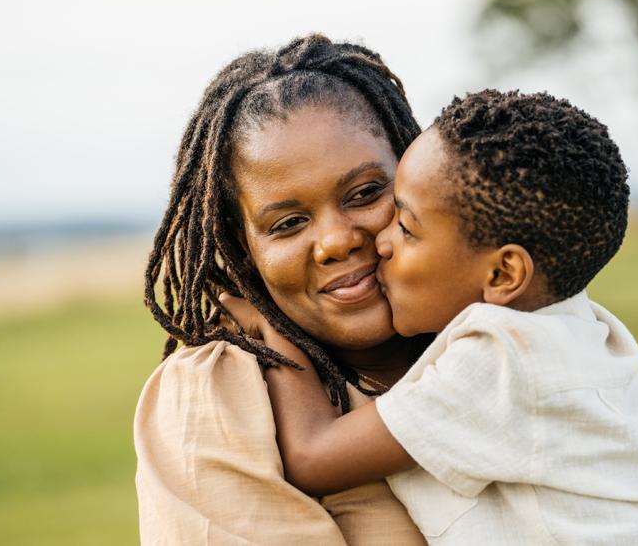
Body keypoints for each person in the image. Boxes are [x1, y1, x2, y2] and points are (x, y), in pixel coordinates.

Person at [222, 90, 638, 544]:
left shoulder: (502, 363)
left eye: (408, 227)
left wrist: (272, 328)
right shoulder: (581, 328)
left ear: (504, 273)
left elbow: (313, 456)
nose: (383, 241)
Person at [134, 34, 431, 545]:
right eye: (288, 223)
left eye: (365, 193)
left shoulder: (506, 334)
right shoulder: (221, 395)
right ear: (244, 249)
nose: (336, 242)